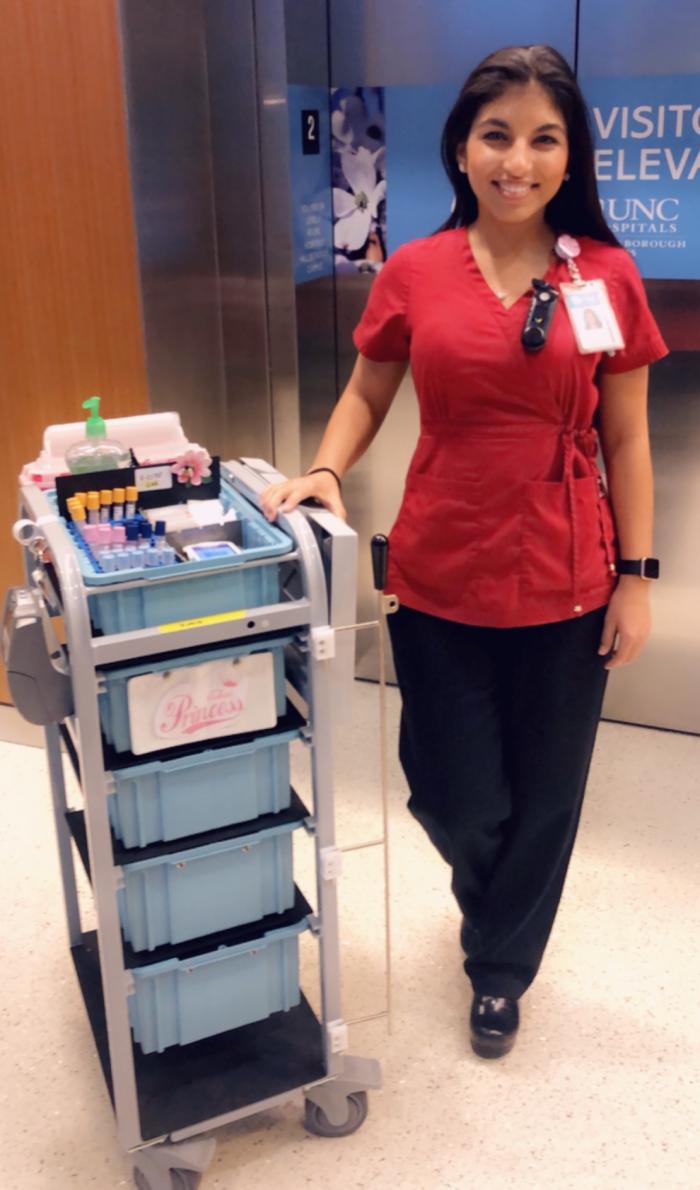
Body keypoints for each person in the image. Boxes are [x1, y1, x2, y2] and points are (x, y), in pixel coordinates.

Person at [261, 44, 668, 1059]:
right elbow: (367, 389)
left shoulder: (606, 276)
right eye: (496, 134)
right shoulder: (414, 270)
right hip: (440, 567)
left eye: (542, 138)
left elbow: (626, 436)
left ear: (569, 158)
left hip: (570, 572)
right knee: (452, 789)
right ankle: (492, 909)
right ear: (459, 146)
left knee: (546, 792)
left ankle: (498, 966)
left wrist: (637, 576)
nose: (515, 159)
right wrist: (323, 466)